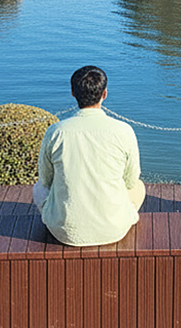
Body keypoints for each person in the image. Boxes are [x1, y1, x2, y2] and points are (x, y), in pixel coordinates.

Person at [32, 65, 146, 246]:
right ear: (105, 94)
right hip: (114, 229)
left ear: (72, 93)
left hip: (64, 232)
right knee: (138, 186)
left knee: (38, 188)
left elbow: (45, 181)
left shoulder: (56, 132)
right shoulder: (123, 131)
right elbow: (131, 180)